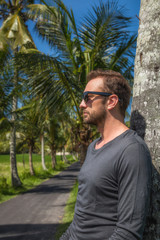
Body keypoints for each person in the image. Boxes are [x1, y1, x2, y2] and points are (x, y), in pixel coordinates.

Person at [60, 69, 152, 240]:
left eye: (88, 97)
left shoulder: (132, 150)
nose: (81, 104)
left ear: (111, 101)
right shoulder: (93, 146)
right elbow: (81, 217)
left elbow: (127, 233)